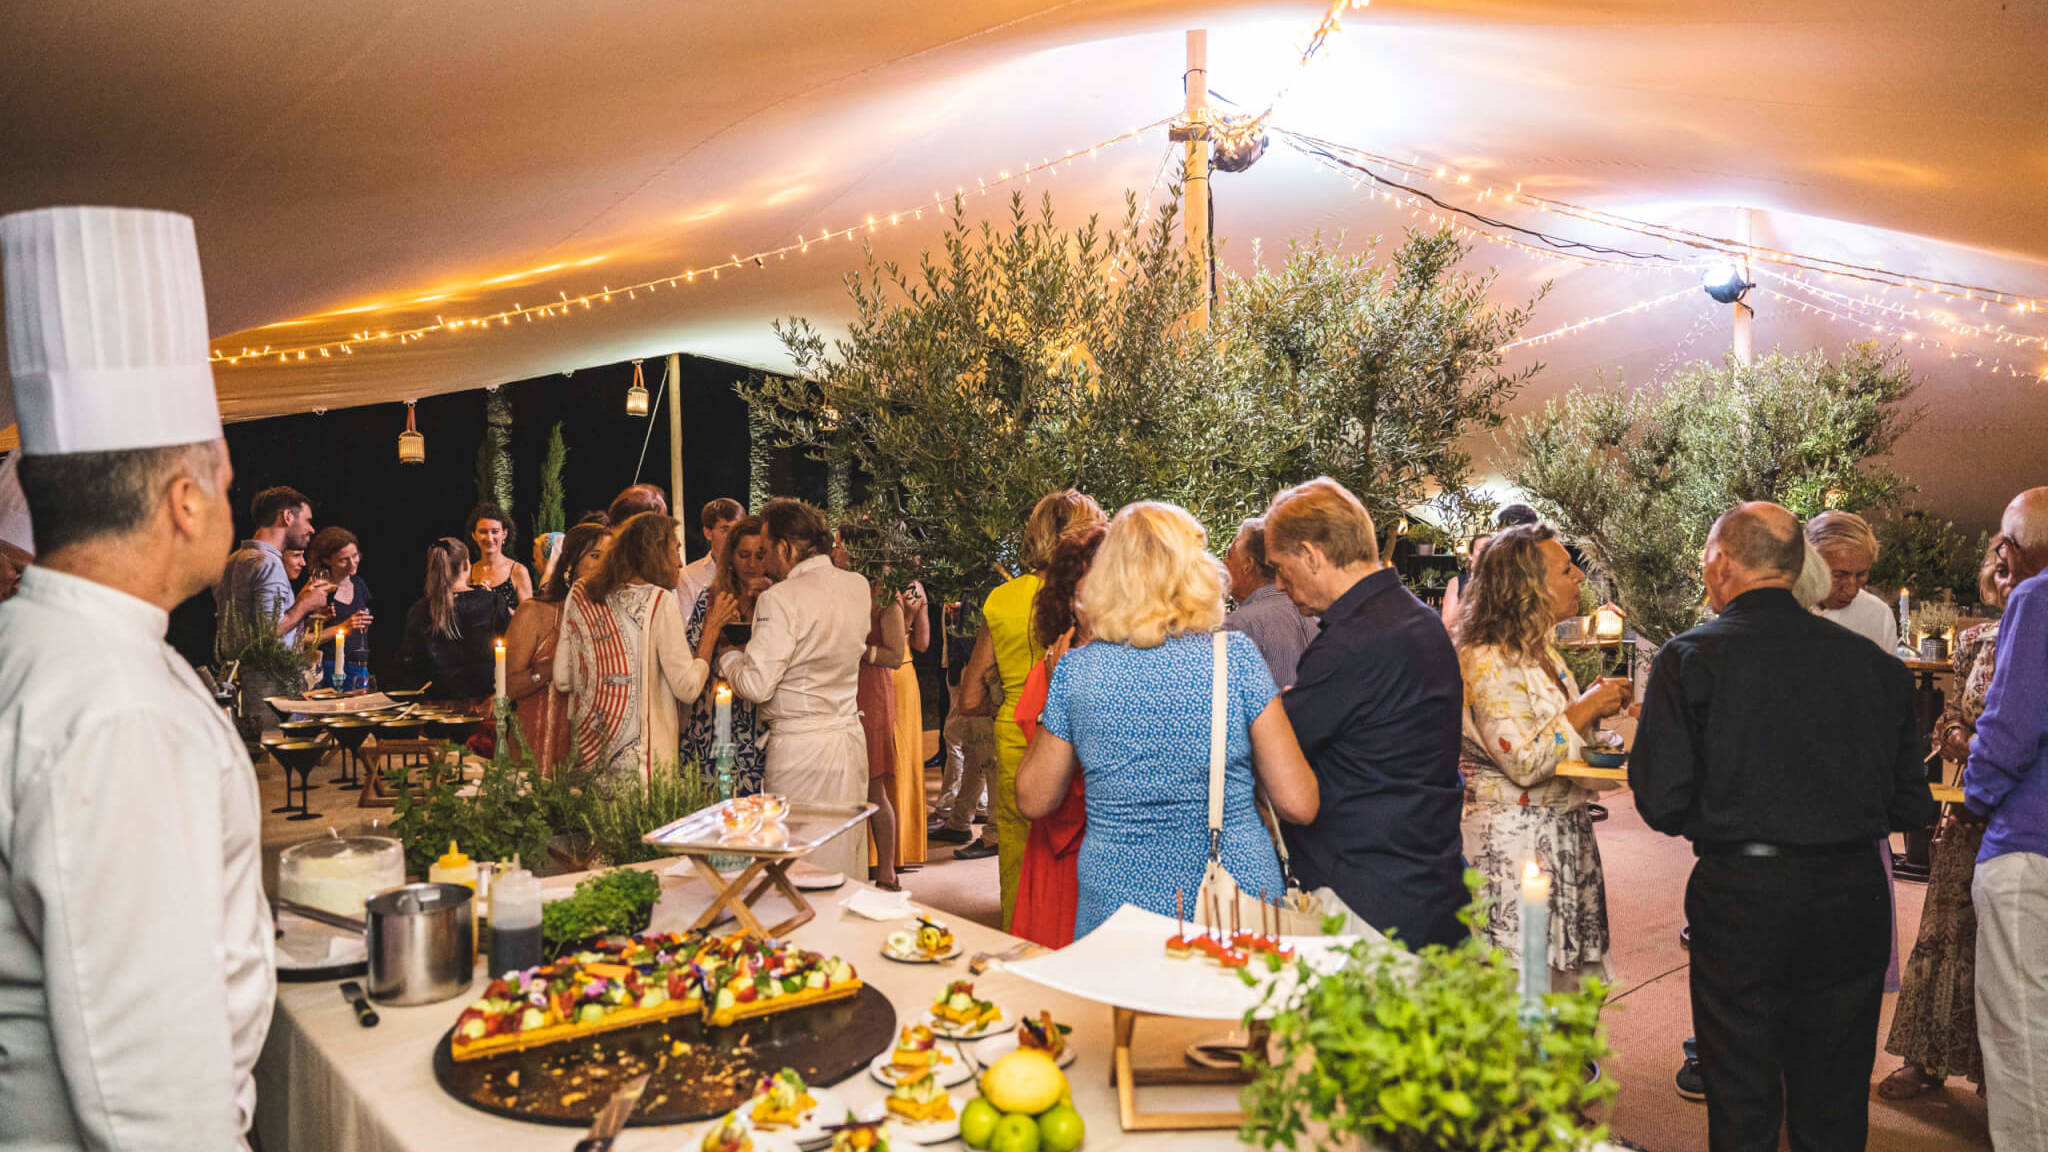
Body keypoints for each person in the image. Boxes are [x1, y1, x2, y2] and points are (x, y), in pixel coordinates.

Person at [0, 205, 273, 1148]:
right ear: (184, 502)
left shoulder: (45, 646)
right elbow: (149, 1097)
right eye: (226, 483)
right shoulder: (117, 708)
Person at [1630, 501, 1935, 1152]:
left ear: (1719, 565)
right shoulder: (1879, 668)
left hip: (1742, 889)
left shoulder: (1690, 659)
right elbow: (1911, 806)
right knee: (1835, 1098)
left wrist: (1729, 818)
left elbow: (1659, 801)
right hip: (1852, 890)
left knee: (1741, 1094)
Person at [1018, 502, 1319, 939]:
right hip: (1233, 896)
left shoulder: (1076, 670)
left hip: (1118, 902)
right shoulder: (1234, 660)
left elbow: (1033, 798)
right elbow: (1299, 802)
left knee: (1129, 1008)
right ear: (1196, 573)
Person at [1267, 477, 1469, 950]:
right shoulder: (1418, 619)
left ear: (1312, 555)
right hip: (1427, 877)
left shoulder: (1351, 643)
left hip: (1367, 899)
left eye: (1280, 567)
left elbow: (1277, 748)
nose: (1276, 584)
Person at [1455, 524, 1631, 988]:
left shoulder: (1545, 654)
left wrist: (1608, 739)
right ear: (1525, 586)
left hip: (1567, 836)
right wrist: (1587, 706)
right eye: (1565, 569)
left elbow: (1562, 739)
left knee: (1572, 995)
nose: (1578, 577)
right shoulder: (1486, 660)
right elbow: (1525, 764)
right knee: (1520, 995)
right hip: (1514, 849)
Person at [1881, 535, 2016, 1099]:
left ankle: (2002, 1077)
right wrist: (1956, 734)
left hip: (2024, 815)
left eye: (2017, 567)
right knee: (1942, 932)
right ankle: (1926, 1058)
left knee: (2010, 949)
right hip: (1969, 809)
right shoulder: (1975, 641)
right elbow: (1951, 717)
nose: (2005, 576)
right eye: (1998, 567)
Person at [959, 489, 1108, 928]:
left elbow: (969, 699)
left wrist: (1003, 700)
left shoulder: (1002, 599)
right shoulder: (1089, 595)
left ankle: (1016, 936)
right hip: (1079, 733)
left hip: (1013, 737)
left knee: (1017, 856)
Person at [718, 499, 873, 880]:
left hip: (801, 749)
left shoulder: (780, 598)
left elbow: (756, 685)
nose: (764, 559)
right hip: (849, 739)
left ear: (786, 548)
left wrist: (727, 658)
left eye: (767, 548)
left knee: (802, 860)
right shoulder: (858, 585)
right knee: (843, 855)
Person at [1964, 487, 2048, 1148]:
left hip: (2028, 841)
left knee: (2021, 1029)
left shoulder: (2034, 597)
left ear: (2015, 550)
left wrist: (1975, 798)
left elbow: (2013, 725)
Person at [555, 512, 729, 787]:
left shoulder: (580, 593)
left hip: (588, 756)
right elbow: (687, 687)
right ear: (655, 552)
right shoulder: (658, 601)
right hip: (644, 769)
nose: (679, 563)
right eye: (675, 550)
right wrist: (712, 629)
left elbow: (563, 678)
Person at [1009, 522, 1105, 947]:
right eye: (1089, 596)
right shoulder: (1048, 673)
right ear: (1069, 603)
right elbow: (1048, 795)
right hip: (1067, 850)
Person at [837, 525, 908, 890]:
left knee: (872, 787)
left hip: (871, 693)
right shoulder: (833, 591)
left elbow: (896, 655)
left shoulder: (884, 596)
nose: (835, 551)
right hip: (838, 689)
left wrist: (858, 649)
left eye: (839, 545)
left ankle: (886, 870)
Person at [504, 524, 607, 771]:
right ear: (570, 563)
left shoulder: (611, 617)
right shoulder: (535, 612)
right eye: (595, 556)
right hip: (537, 749)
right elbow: (506, 686)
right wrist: (546, 671)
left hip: (592, 756)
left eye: (611, 556)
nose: (606, 564)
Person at [683, 515, 772, 791]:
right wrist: (715, 629)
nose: (752, 564)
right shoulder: (711, 599)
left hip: (758, 718)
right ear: (731, 557)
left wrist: (769, 602)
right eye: (744, 555)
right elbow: (690, 657)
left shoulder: (779, 600)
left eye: (760, 555)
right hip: (713, 717)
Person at [396, 537, 514, 703]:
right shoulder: (492, 602)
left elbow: (407, 665)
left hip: (436, 712)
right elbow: (514, 653)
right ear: (466, 565)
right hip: (486, 707)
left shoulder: (420, 609)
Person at [217, 484, 331, 645]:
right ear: (288, 516)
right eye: (307, 520)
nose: (311, 529)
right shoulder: (268, 563)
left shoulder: (233, 559)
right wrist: (305, 604)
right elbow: (271, 630)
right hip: (267, 670)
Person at [1223, 517, 1319, 688]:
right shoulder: (1317, 618)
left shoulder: (1238, 627)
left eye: (1229, 556)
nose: (1224, 564)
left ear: (1247, 565)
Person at [1806, 510, 1898, 651]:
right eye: (1838, 575)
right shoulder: (1780, 608)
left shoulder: (1878, 615)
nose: (1851, 590)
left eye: (1861, 575)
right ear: (1810, 564)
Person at [892, 574, 932, 866]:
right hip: (906, 674)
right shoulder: (916, 589)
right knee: (907, 758)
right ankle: (907, 846)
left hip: (877, 670)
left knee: (882, 760)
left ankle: (879, 849)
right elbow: (922, 643)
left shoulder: (872, 584)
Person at [306, 525, 371, 674]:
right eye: (344, 560)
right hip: (328, 667)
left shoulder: (359, 584)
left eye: (355, 556)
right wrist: (343, 626)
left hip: (359, 666)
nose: (352, 563)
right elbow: (301, 637)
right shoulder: (318, 589)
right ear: (327, 560)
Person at [466, 502, 533, 610]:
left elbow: (527, 618)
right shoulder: (468, 572)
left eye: (495, 531)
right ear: (474, 535)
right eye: (483, 532)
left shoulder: (518, 571)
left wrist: (496, 603)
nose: (489, 538)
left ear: (504, 534)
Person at [680, 497, 744, 608]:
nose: (733, 536)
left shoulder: (753, 571)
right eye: (725, 529)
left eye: (738, 529)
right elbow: (685, 624)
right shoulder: (688, 577)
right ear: (708, 533)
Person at [1438, 532, 1490, 633]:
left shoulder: (1503, 583)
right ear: (1470, 555)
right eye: (1481, 550)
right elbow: (1447, 624)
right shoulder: (1456, 583)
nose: (1486, 553)